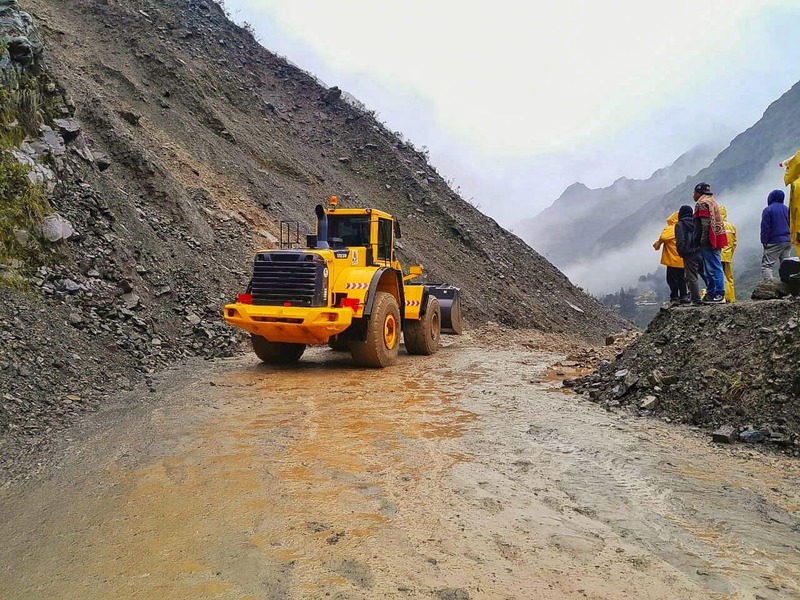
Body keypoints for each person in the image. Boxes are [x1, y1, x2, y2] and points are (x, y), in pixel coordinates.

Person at [692, 182, 727, 304]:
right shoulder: (712, 201)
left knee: (713, 267)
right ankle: (711, 293)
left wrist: (701, 240)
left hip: (708, 240)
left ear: (699, 193)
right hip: (716, 237)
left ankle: (719, 293)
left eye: (694, 192)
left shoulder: (702, 203)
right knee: (709, 268)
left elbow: (705, 224)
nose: (693, 195)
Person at [653, 211, 688, 306]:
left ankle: (674, 297)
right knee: (682, 279)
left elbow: (663, 237)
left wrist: (657, 244)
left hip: (672, 260)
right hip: (682, 259)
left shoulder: (670, 228)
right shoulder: (684, 227)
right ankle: (684, 296)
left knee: (672, 280)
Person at [760, 189, 791, 279]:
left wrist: (764, 241)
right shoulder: (787, 209)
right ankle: (788, 283)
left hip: (774, 241)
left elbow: (765, 228)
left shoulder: (768, 210)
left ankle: (769, 284)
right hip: (788, 240)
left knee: (767, 265)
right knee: (786, 264)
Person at [675, 204, 703, 305]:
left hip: (689, 254)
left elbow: (680, 241)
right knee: (706, 274)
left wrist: (681, 252)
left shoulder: (680, 225)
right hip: (701, 251)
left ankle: (696, 300)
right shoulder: (697, 222)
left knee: (692, 277)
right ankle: (712, 295)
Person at [719, 205, 737, 303]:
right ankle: (732, 298)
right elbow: (734, 243)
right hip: (728, 255)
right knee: (729, 277)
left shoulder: (716, 226)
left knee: (721, 277)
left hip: (719, 255)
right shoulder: (731, 226)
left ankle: (724, 297)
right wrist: (730, 254)